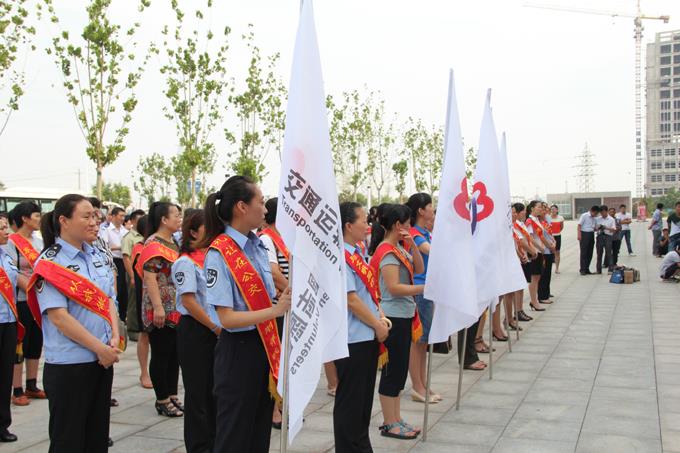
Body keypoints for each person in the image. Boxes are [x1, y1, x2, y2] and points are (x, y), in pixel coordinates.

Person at [202, 176, 291, 452]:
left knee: (258, 432)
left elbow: (266, 296)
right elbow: (226, 318)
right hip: (238, 352)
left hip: (263, 347)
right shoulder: (220, 253)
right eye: (261, 202)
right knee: (235, 436)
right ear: (242, 207)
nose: (265, 209)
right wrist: (274, 310)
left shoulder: (258, 245)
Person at [29, 194, 121, 452]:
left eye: (95, 216)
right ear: (64, 221)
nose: (94, 222)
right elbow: (59, 317)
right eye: (86, 216)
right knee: (68, 440)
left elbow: (108, 298)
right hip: (70, 365)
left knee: (97, 437)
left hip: (102, 360)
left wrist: (114, 336)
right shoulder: (50, 262)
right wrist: (100, 348)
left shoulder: (96, 254)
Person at [334, 201, 389, 452]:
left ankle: (361, 446)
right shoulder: (339, 256)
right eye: (363, 220)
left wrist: (380, 315)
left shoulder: (357, 252)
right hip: (352, 339)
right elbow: (351, 299)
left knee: (363, 403)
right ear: (348, 225)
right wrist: (377, 325)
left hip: (366, 336)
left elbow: (367, 294)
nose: (368, 225)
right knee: (351, 403)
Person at [368, 203, 424, 440]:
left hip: (403, 314)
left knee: (399, 371)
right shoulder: (387, 252)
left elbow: (419, 267)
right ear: (397, 225)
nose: (410, 227)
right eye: (408, 224)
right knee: (393, 372)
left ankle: (396, 418)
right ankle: (389, 422)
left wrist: (413, 245)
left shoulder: (399, 248)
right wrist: (424, 288)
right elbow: (394, 288)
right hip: (393, 317)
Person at [171, 209, 220, 453]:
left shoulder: (210, 258)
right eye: (207, 228)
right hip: (196, 330)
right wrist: (214, 326)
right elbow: (189, 301)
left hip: (214, 329)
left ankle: (214, 441)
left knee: (214, 390)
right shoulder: (185, 262)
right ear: (192, 232)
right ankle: (199, 446)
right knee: (197, 392)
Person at [140, 202, 183, 418]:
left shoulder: (174, 241)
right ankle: (162, 399)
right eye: (176, 215)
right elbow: (150, 278)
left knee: (174, 354)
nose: (179, 218)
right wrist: (158, 307)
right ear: (164, 220)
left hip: (175, 306)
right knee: (161, 353)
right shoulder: (153, 244)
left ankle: (172, 394)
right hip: (160, 306)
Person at [6, 202, 46, 406]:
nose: (39, 219)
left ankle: (32, 384)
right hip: (21, 299)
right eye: (36, 215)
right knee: (20, 344)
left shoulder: (39, 242)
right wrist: (32, 289)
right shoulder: (11, 243)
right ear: (25, 218)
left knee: (36, 342)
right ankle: (17, 389)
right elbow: (12, 273)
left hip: (39, 299)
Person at [404, 193, 439, 404]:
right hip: (419, 290)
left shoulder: (426, 232)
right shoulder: (415, 233)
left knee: (424, 341)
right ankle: (416, 386)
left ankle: (423, 383)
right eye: (430, 206)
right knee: (417, 340)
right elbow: (431, 252)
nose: (433, 210)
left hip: (428, 289)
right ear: (421, 211)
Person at [257, 197, 289, 428]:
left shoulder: (285, 239)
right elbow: (274, 273)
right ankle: (273, 410)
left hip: (287, 306)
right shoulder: (267, 239)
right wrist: (294, 291)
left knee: (285, 358)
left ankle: (282, 404)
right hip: (276, 307)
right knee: (274, 359)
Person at [121, 210, 151, 388]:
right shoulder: (139, 246)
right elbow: (128, 260)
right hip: (146, 298)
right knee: (144, 335)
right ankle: (144, 373)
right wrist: (132, 277)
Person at [0, 214, 20, 442]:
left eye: (6, 227)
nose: (7, 232)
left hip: (8, 321)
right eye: (2, 228)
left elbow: (18, 280)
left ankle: (2, 425)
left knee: (5, 374)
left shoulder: (6, 254)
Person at [524, 201, 554, 311]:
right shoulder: (529, 221)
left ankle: (534, 300)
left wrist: (548, 245)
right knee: (534, 278)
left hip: (540, 251)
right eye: (539, 207)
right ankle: (534, 301)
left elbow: (541, 236)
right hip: (535, 252)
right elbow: (530, 238)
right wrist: (540, 248)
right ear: (532, 208)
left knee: (537, 277)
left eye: (541, 207)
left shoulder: (537, 220)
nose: (541, 209)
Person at [102, 207, 128, 322]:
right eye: (120, 215)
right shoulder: (106, 231)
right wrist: (120, 247)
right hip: (113, 261)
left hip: (124, 261)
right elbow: (105, 247)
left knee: (124, 289)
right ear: (113, 216)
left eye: (124, 216)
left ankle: (123, 315)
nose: (123, 218)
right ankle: (115, 315)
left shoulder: (125, 231)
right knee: (116, 288)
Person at [537, 202, 556, 304]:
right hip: (544, 250)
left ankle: (546, 293)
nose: (545, 211)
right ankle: (542, 296)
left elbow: (550, 234)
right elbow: (541, 237)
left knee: (548, 274)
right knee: (543, 275)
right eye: (543, 209)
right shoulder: (537, 222)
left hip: (550, 249)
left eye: (545, 209)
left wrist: (554, 242)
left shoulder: (546, 220)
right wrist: (550, 246)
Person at [578, 206, 600, 275]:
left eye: (596, 214)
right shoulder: (584, 215)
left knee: (590, 252)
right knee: (584, 252)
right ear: (591, 210)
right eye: (595, 213)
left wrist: (598, 228)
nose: (595, 215)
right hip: (584, 234)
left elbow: (595, 228)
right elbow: (579, 225)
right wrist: (579, 235)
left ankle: (587, 268)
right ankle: (582, 269)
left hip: (591, 234)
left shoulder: (595, 218)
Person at [595, 205, 616, 274]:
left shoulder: (611, 219)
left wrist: (605, 227)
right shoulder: (598, 219)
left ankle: (610, 269)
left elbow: (614, 230)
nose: (602, 214)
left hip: (608, 237)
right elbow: (594, 228)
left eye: (603, 212)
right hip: (600, 236)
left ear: (607, 211)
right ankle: (598, 270)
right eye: (601, 213)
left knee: (609, 253)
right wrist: (598, 228)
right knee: (599, 253)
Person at [549, 205, 564, 273]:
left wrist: (556, 232)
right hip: (549, 237)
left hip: (557, 236)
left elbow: (561, 227)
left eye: (554, 209)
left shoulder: (560, 218)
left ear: (557, 210)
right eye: (552, 209)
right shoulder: (548, 218)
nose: (553, 210)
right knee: (549, 252)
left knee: (557, 252)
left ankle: (557, 268)